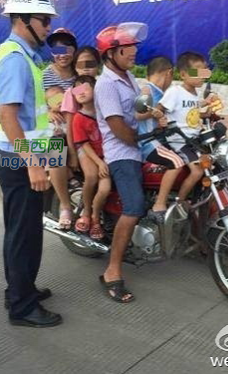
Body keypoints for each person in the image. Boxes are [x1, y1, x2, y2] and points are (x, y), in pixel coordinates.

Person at [0, 0, 62, 327]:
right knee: (25, 233)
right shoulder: (16, 60)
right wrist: (34, 164)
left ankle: (20, 288)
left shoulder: (23, 56)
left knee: (20, 229)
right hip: (19, 159)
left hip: (22, 154)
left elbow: (29, 114)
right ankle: (22, 307)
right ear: (21, 19)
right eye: (43, 20)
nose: (48, 27)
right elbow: (8, 117)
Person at [94, 22, 148, 303]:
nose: (134, 51)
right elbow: (119, 129)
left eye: (133, 46)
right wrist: (145, 139)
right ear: (111, 53)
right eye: (127, 48)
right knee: (135, 206)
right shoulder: (106, 84)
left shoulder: (129, 78)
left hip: (138, 145)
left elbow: (137, 112)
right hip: (122, 152)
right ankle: (112, 271)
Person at [155, 52, 215, 207]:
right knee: (197, 171)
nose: (202, 76)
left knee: (212, 163)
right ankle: (180, 203)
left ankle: (197, 196)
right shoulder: (175, 92)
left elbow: (190, 112)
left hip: (193, 139)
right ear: (183, 74)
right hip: (180, 140)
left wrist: (205, 112)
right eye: (197, 72)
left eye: (204, 72)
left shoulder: (194, 94)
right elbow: (159, 108)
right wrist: (160, 118)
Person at [135, 56, 186, 224]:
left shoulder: (159, 93)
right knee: (177, 162)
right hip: (147, 143)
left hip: (157, 139)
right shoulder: (147, 90)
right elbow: (138, 114)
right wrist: (154, 113)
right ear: (169, 73)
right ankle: (159, 205)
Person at [42, 28, 77, 229]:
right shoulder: (45, 75)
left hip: (78, 125)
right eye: (57, 49)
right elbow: (35, 103)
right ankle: (65, 205)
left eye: (67, 49)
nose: (62, 54)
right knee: (55, 157)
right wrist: (47, 112)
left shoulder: (79, 73)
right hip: (55, 127)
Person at [71, 75, 109, 239]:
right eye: (77, 90)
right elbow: (84, 144)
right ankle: (87, 212)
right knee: (92, 176)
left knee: (105, 188)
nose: (81, 92)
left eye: (85, 88)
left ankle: (95, 217)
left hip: (105, 154)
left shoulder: (104, 113)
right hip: (86, 151)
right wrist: (100, 162)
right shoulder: (78, 118)